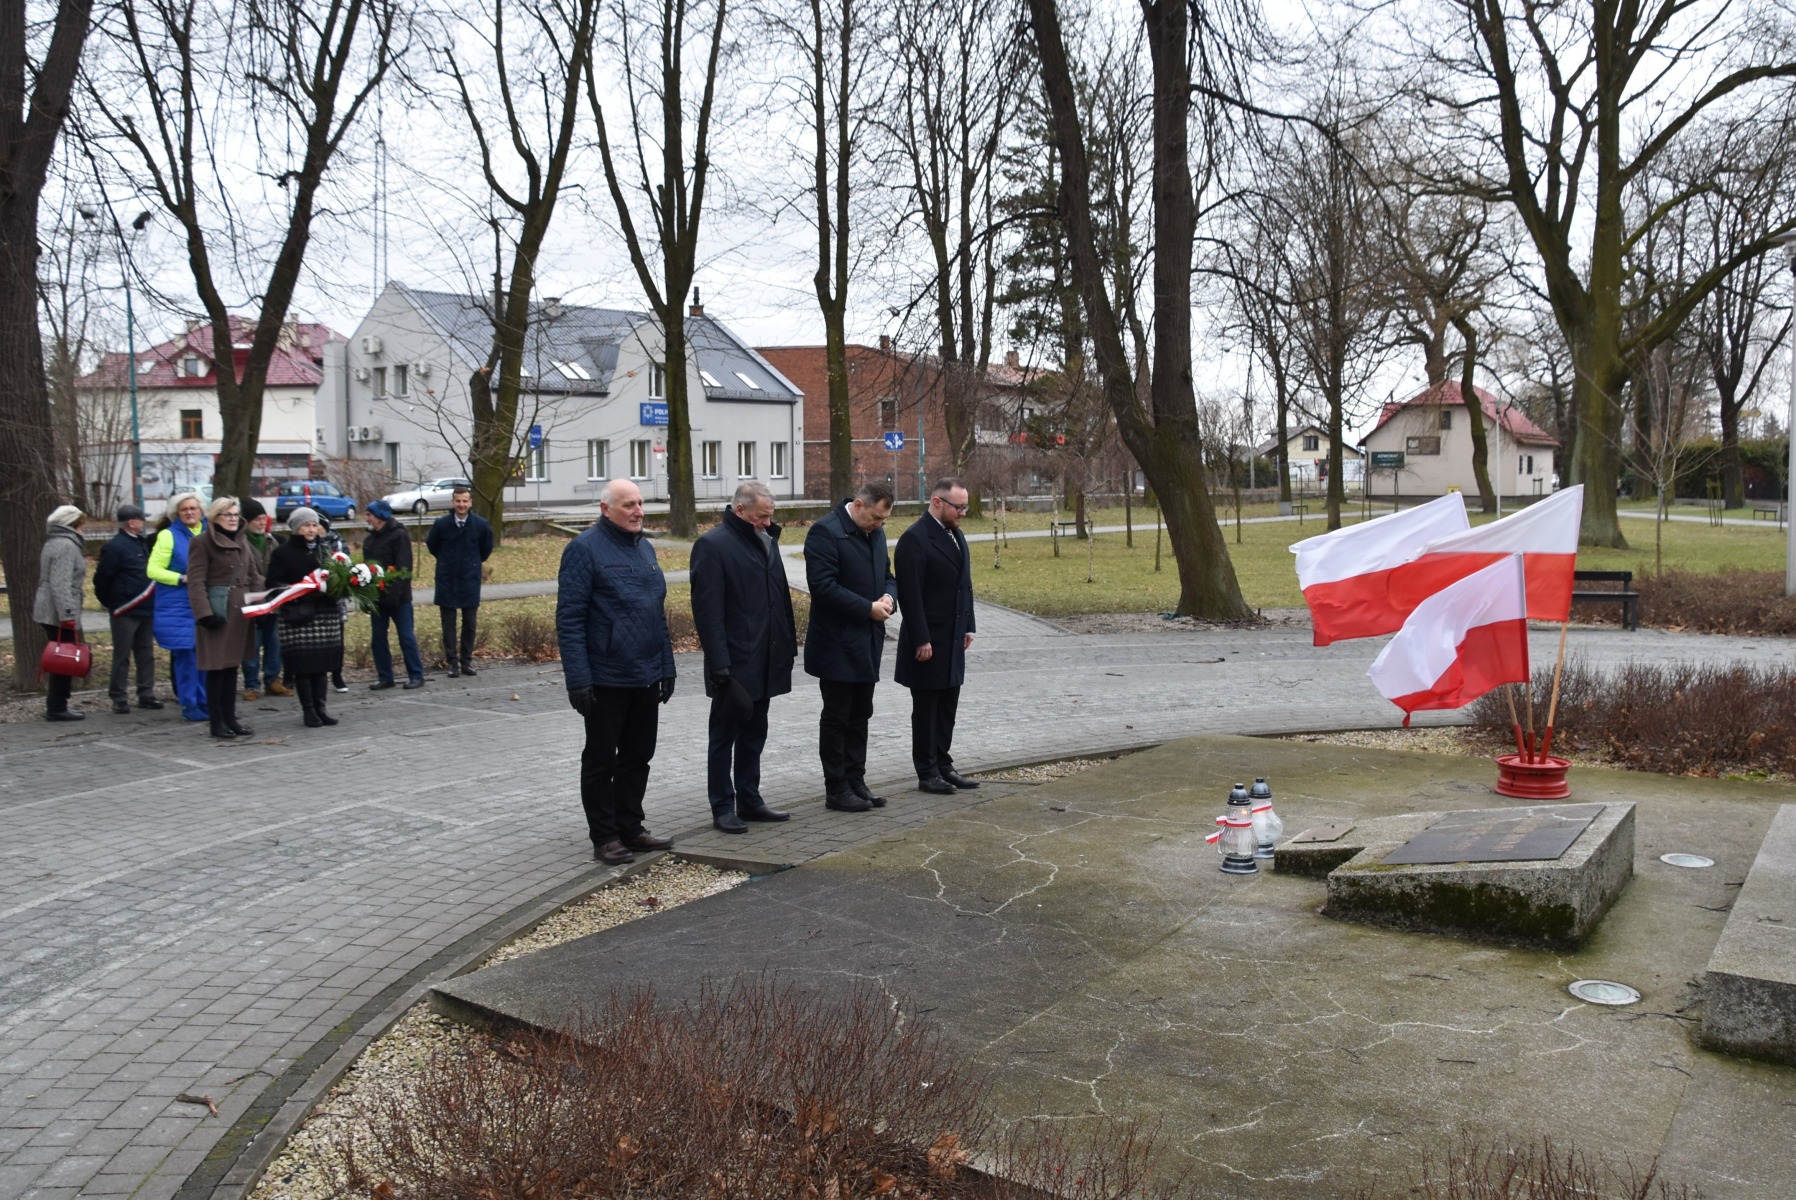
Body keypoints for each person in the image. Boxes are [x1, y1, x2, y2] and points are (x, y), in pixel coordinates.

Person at [556, 479, 676, 866]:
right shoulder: (583, 550)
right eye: (629, 505)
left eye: (641, 503)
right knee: (601, 759)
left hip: (645, 674)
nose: (638, 511)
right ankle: (604, 836)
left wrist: (666, 666)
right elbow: (570, 620)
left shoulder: (645, 547)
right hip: (606, 676)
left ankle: (631, 826)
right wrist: (578, 678)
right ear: (606, 509)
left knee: (639, 755)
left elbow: (656, 613)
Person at [690, 481, 798, 834]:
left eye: (771, 516)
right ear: (740, 511)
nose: (768, 522)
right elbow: (708, 612)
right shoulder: (712, 545)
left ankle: (750, 798)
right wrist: (720, 667)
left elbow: (779, 596)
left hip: (766, 658)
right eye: (762, 516)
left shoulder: (766, 540)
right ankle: (722, 805)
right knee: (724, 737)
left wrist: (786, 647)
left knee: (755, 734)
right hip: (734, 665)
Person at [803, 481, 898, 813]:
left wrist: (889, 597)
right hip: (836, 643)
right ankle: (836, 787)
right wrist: (866, 608)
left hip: (868, 642)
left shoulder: (874, 533)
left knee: (861, 715)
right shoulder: (825, 533)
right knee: (838, 716)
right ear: (858, 505)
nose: (879, 525)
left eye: (883, 521)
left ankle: (856, 780)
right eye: (875, 518)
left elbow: (887, 574)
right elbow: (823, 587)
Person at [894, 477, 978, 794]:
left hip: (954, 636)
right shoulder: (915, 539)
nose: (963, 513)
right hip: (928, 641)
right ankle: (927, 771)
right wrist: (921, 639)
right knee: (927, 709)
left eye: (966, 506)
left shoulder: (956, 534)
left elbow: (964, 585)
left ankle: (944, 764)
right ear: (937, 502)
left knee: (947, 706)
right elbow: (910, 595)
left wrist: (969, 624)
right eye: (959, 507)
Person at [186, 496, 262, 739]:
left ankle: (231, 719)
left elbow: (254, 575)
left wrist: (265, 601)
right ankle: (216, 723)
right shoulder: (201, 542)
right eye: (226, 515)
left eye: (234, 514)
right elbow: (196, 581)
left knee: (231, 668)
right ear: (215, 517)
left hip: (241, 612)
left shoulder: (243, 541)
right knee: (216, 669)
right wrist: (205, 613)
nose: (232, 519)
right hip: (217, 613)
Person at [266, 507, 345, 728]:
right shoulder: (283, 552)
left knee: (321, 666)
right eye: (306, 525)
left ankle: (321, 708)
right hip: (298, 616)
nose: (311, 529)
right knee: (304, 666)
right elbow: (272, 583)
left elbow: (337, 577)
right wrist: (298, 590)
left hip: (324, 614)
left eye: (313, 525)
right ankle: (308, 710)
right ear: (296, 528)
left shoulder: (326, 550)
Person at [92, 503, 164, 714]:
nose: (143, 523)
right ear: (132, 523)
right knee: (122, 655)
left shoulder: (141, 543)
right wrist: (111, 602)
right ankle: (119, 697)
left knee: (146, 654)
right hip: (125, 609)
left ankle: (146, 693)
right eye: (141, 519)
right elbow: (102, 579)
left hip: (145, 607)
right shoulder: (114, 547)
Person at [148, 492, 210, 721]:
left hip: (204, 602)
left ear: (201, 510)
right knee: (187, 657)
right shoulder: (168, 536)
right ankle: (190, 703)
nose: (190, 512)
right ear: (177, 513)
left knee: (205, 655)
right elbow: (153, 570)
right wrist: (181, 578)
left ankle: (205, 701)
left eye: (193, 508)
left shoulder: (210, 532)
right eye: (184, 509)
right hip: (178, 606)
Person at [425, 484, 493, 678]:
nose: (461, 505)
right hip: (447, 579)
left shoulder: (480, 525)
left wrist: (472, 563)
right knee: (448, 624)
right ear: (452, 502)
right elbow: (432, 545)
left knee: (469, 624)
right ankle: (452, 663)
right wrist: (447, 561)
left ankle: (466, 662)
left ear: (470, 502)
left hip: (470, 580)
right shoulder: (441, 524)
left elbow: (486, 548)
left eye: (465, 501)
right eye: (458, 501)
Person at [33, 504, 89, 722]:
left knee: (61, 657)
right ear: (73, 525)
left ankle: (58, 704)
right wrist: (67, 615)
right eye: (81, 525)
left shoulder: (56, 542)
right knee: (63, 658)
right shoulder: (66, 546)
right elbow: (60, 583)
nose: (84, 529)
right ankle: (57, 706)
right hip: (57, 612)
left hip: (52, 609)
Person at [363, 499, 425, 690]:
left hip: (400, 600)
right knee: (378, 639)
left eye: (370, 515)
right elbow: (367, 569)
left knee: (406, 637)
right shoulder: (370, 540)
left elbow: (404, 568)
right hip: (378, 599)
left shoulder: (399, 535)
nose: (367, 518)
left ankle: (416, 675)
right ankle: (385, 676)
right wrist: (366, 594)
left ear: (380, 517)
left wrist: (393, 595)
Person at [238, 498, 289, 701]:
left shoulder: (272, 541)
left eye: (263, 519)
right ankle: (251, 684)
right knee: (251, 645)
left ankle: (273, 680)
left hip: (274, 602)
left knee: (275, 643)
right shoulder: (239, 543)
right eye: (257, 519)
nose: (261, 523)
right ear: (247, 521)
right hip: (251, 602)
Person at [317, 515, 351, 692]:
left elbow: (346, 568)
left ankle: (337, 675)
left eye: (317, 525)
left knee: (337, 641)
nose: (314, 529)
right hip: (314, 601)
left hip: (336, 601)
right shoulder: (309, 547)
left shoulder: (338, 544)